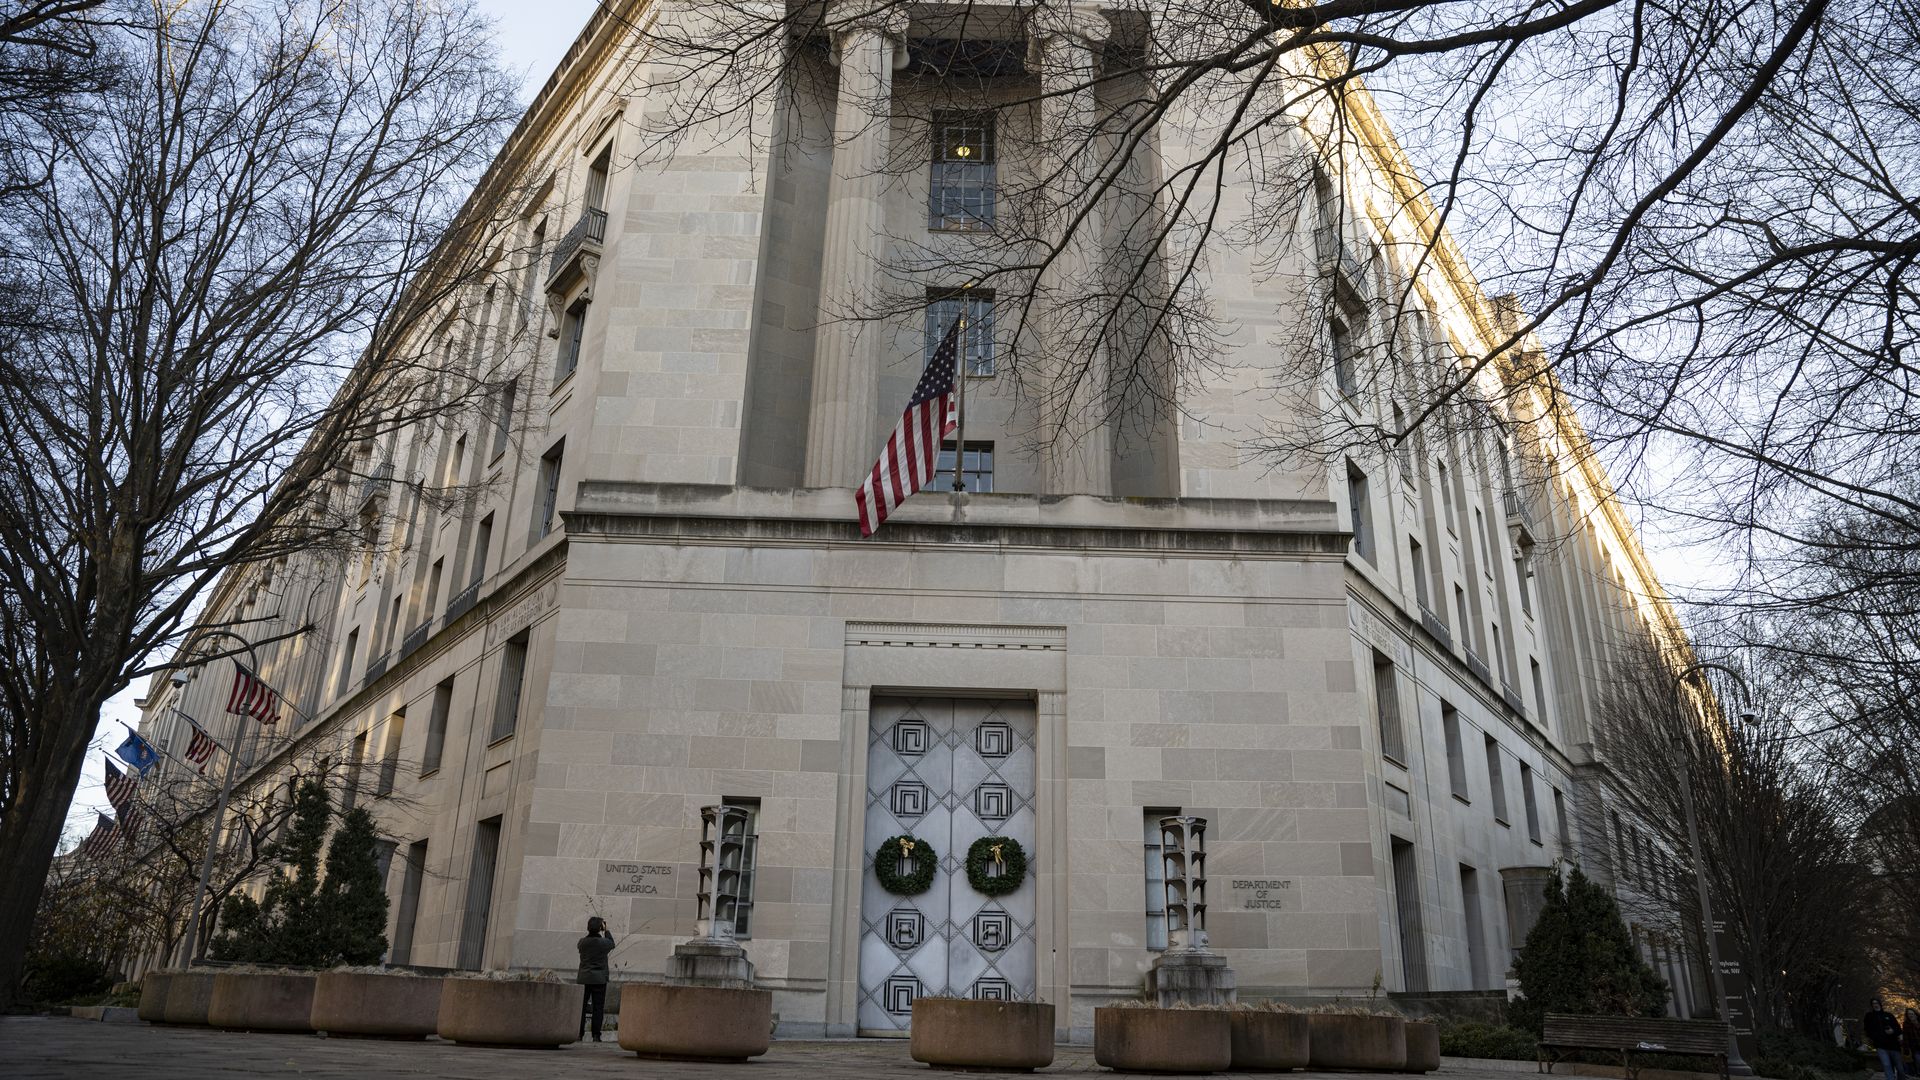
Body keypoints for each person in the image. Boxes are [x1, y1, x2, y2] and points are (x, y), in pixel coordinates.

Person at [576, 916, 615, 1042]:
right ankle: (596, 1035)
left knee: (581, 1007)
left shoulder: (582, 942)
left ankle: (579, 1034)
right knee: (598, 1008)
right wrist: (607, 930)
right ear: (600, 928)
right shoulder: (603, 943)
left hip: (584, 978)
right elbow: (612, 943)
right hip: (599, 979)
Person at [1865, 997, 1906, 1080]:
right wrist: (1874, 1037)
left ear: (1880, 1004)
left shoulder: (1889, 1015)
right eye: (1873, 1003)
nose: (1875, 1005)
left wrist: (1892, 1031)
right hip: (1880, 1045)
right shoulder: (1869, 1016)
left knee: (1899, 1067)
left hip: (1893, 1045)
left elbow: (1898, 1028)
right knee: (1886, 1065)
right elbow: (1867, 1029)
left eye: (1876, 1003)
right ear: (1871, 1005)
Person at [1904, 1009, 1920, 1073]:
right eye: (1909, 1014)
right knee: (1918, 1061)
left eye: (1912, 1014)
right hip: (1915, 1047)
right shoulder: (1906, 1024)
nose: (1910, 1015)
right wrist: (1906, 1048)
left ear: (1916, 1014)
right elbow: (1905, 1037)